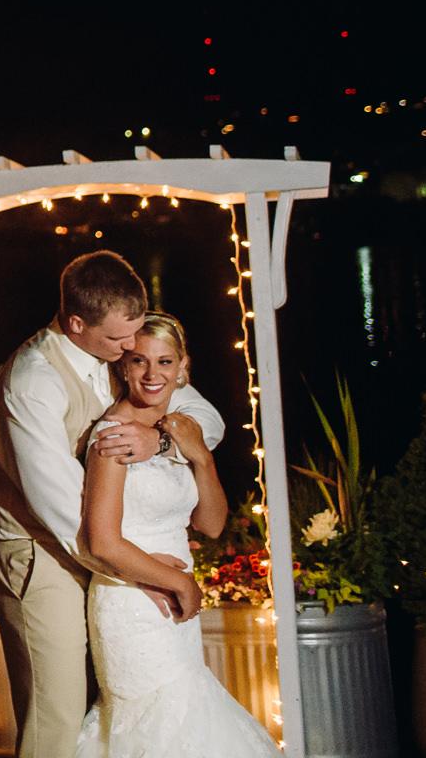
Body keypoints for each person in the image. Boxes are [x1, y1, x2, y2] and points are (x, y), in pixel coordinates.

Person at [0, 251, 225, 758]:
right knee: (58, 717)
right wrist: (143, 572)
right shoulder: (33, 381)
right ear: (76, 322)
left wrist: (160, 440)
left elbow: (202, 414)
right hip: (42, 554)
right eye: (121, 340)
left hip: (106, 554)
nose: (130, 349)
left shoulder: (121, 357)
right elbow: (61, 509)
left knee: (112, 714)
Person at [72, 313, 278, 757]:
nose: (152, 375)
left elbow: (211, 524)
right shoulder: (112, 436)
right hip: (131, 604)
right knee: (158, 727)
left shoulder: (178, 430)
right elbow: (102, 542)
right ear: (122, 367)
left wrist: (201, 458)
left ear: (183, 368)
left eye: (165, 362)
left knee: (185, 726)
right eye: (140, 361)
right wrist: (181, 581)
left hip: (174, 616)